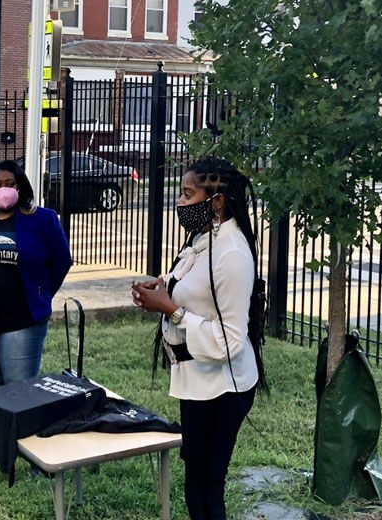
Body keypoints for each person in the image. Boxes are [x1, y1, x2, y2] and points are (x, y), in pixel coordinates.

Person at [131, 157, 267, 520]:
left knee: (207, 490)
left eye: (188, 194)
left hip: (223, 389)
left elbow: (230, 343)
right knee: (195, 483)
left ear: (217, 200)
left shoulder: (233, 254)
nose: (180, 202)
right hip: (196, 382)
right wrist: (160, 287)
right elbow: (192, 290)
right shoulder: (205, 238)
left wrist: (171, 310)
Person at [0, 159, 72, 387]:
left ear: (20, 186)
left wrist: (40, 293)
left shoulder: (42, 219)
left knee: (18, 391)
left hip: (22, 321)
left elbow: (61, 261)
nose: (3, 189)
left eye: (9, 183)